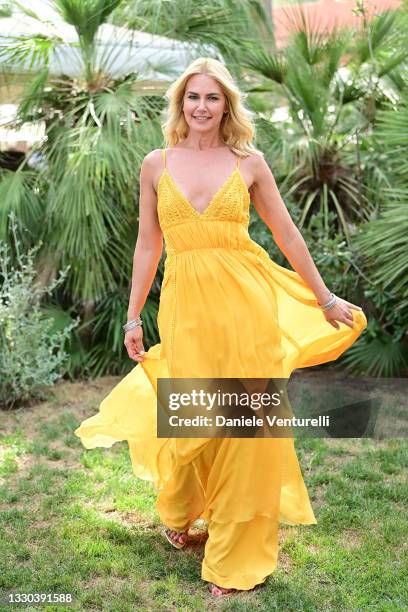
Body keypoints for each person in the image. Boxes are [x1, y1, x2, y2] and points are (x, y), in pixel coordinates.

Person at [75, 57, 367, 597]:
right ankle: (185, 511)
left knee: (245, 426)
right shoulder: (156, 164)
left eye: (212, 98)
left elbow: (287, 234)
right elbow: (148, 244)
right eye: (192, 98)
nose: (201, 107)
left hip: (245, 305)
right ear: (180, 105)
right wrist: (133, 315)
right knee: (193, 413)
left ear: (226, 105)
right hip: (185, 307)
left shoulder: (249, 162)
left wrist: (324, 298)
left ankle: (236, 556)